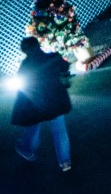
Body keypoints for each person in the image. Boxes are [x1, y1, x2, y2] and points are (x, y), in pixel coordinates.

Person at [12, 36, 73, 171]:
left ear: (25, 51)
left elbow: (23, 85)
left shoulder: (25, 66)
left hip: (36, 103)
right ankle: (65, 162)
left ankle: (27, 148)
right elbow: (65, 66)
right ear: (38, 45)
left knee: (33, 126)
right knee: (59, 131)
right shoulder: (52, 57)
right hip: (56, 101)